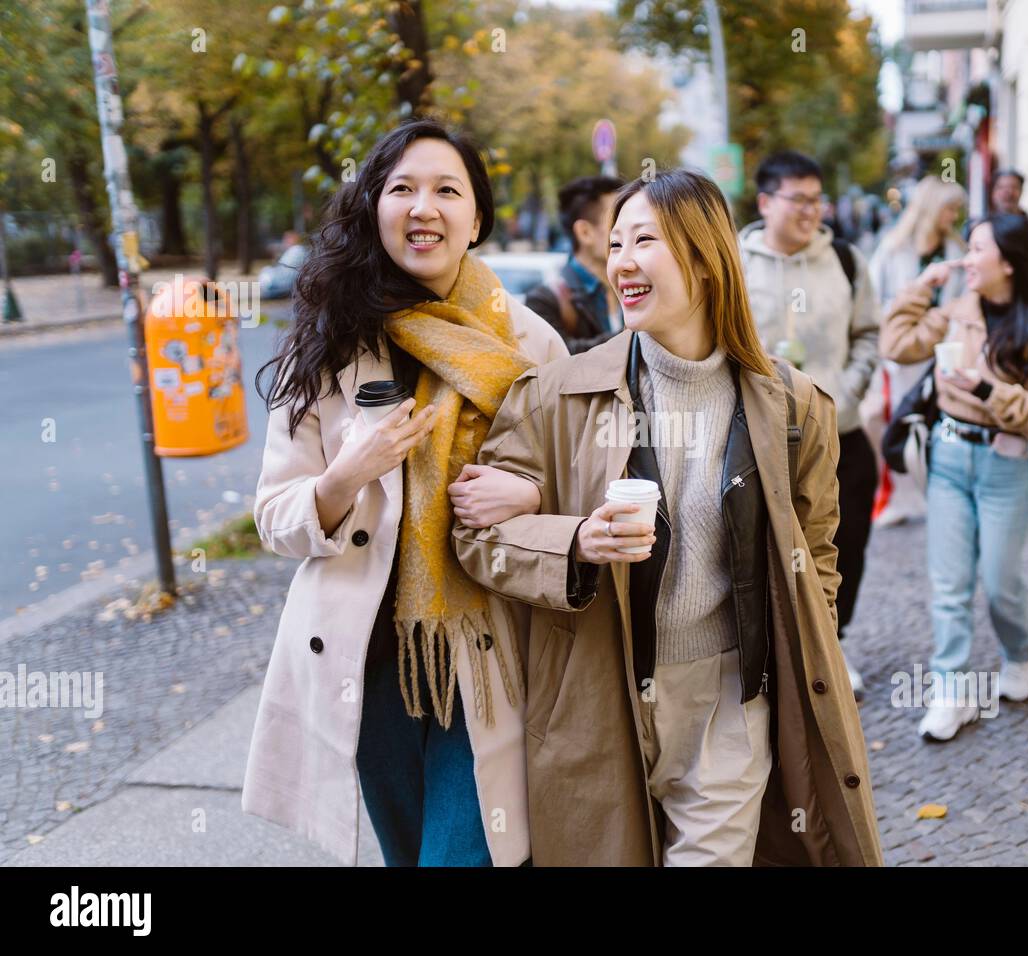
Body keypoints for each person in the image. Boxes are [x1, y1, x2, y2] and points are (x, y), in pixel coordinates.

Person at [454, 168, 884, 867]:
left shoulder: (795, 408)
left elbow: (817, 555)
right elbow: (475, 536)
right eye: (616, 241)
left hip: (727, 709)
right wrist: (574, 540)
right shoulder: (559, 396)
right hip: (598, 703)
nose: (622, 259)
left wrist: (799, 647)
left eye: (645, 239)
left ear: (706, 259)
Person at [243, 119, 567, 867]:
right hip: (370, 659)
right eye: (402, 189)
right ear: (375, 208)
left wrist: (528, 497)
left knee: (462, 855)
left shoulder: (531, 344)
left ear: (477, 217)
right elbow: (275, 516)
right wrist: (344, 476)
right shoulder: (330, 341)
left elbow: (578, 490)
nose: (424, 207)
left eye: (447, 190)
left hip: (491, 654)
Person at [881, 214, 1028, 742]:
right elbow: (896, 345)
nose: (967, 258)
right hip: (947, 458)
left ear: (1009, 262)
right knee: (949, 585)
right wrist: (921, 288)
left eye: (977, 249)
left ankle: (1021, 650)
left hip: (1006, 466)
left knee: (999, 583)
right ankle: (951, 692)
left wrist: (988, 390)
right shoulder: (956, 313)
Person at [737, 150, 881, 702]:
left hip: (840, 433)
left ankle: (832, 645)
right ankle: (772, 654)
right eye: (799, 199)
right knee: (762, 549)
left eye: (818, 199)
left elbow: (870, 331)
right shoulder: (735, 262)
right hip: (759, 438)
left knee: (843, 546)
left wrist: (849, 388)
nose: (811, 211)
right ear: (767, 201)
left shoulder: (844, 259)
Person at [865, 175, 967, 527]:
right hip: (902, 351)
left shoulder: (956, 250)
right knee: (896, 421)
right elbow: (873, 297)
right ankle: (897, 497)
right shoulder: (893, 249)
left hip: (943, 349)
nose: (953, 215)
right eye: (949, 208)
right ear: (931, 208)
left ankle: (932, 494)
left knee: (936, 421)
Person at [525, 175, 625, 353]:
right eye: (617, 220)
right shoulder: (544, 301)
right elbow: (559, 358)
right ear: (584, 232)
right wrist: (634, 334)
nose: (627, 229)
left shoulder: (635, 286)